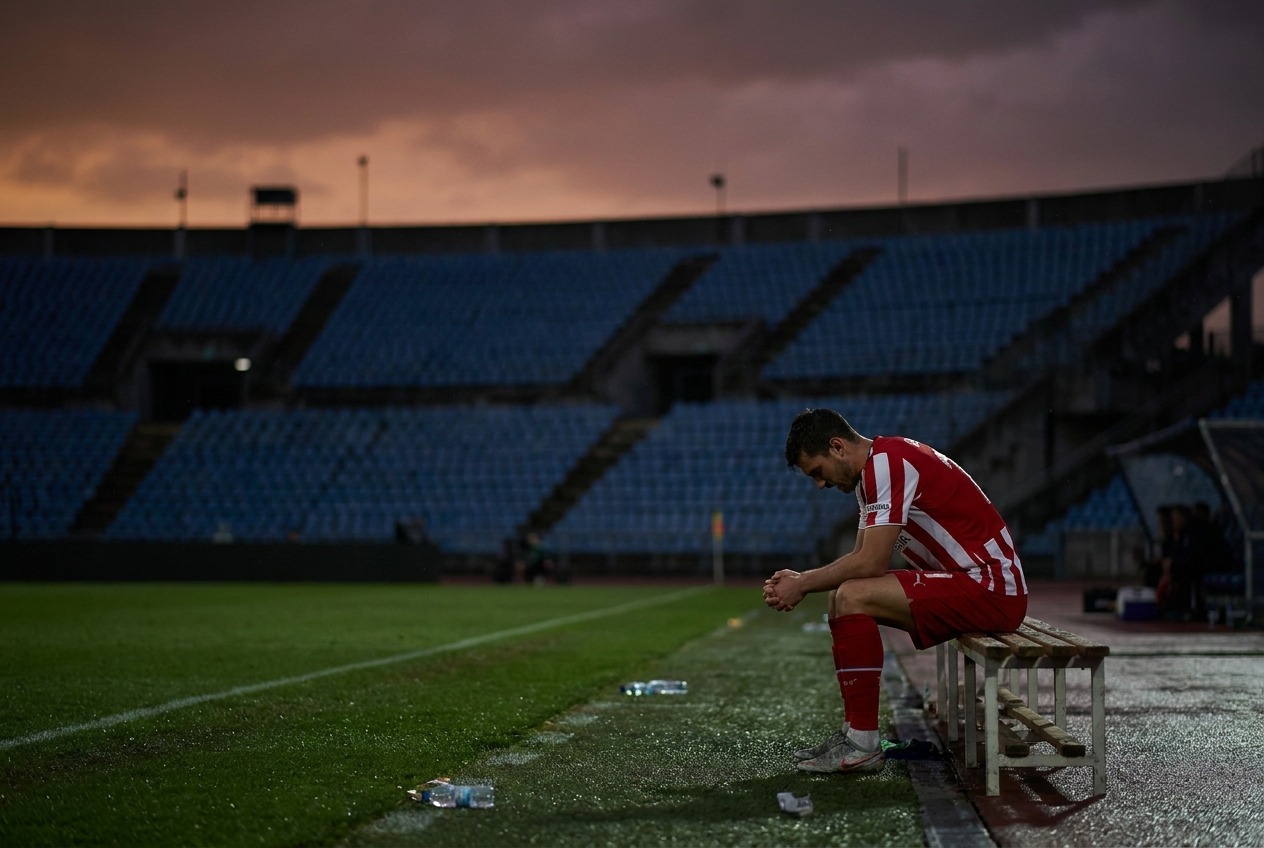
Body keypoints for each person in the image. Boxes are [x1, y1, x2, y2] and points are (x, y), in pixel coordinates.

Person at [764, 408, 1028, 775]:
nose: (819, 485)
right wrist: (803, 580)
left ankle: (863, 744)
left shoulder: (887, 464)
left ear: (837, 447)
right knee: (842, 595)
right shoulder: (875, 470)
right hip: (972, 582)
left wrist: (802, 582)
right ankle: (854, 733)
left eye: (817, 472)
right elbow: (859, 559)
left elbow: (871, 562)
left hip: (992, 587)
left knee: (853, 596)